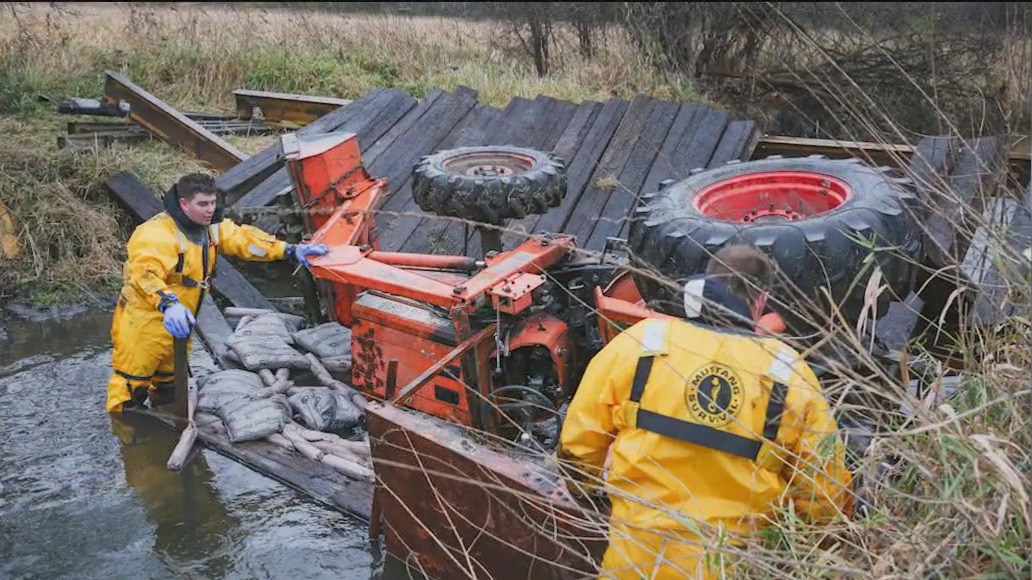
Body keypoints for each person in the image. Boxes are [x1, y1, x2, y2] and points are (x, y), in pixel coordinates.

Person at [557, 244, 854, 579]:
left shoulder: (643, 343)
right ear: (760, 300)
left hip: (634, 565)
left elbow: (578, 447)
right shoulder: (787, 372)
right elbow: (823, 494)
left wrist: (589, 492)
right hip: (732, 567)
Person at [105, 172, 329, 414]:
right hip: (144, 322)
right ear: (184, 204)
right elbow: (144, 274)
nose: (210, 210)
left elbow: (244, 240)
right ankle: (128, 441)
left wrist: (289, 250)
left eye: (212, 203)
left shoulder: (211, 228)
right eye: (202, 204)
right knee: (129, 390)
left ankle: (165, 434)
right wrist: (168, 303)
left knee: (171, 386)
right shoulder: (156, 234)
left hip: (181, 322)